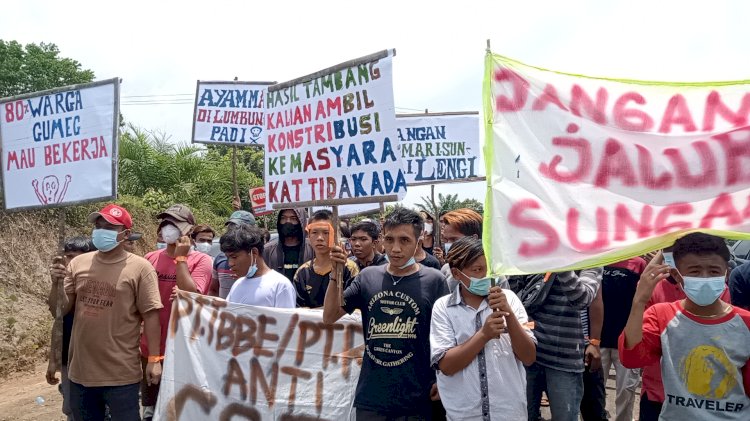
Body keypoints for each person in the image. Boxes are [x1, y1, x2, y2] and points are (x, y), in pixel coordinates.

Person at [323, 207, 449, 420]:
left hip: (419, 395)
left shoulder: (434, 280)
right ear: (381, 239)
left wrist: (441, 378)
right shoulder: (367, 277)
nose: (396, 248)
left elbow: (445, 336)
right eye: (390, 240)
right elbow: (330, 316)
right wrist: (335, 273)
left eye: (404, 240)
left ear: (418, 240)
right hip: (374, 396)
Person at [48, 204, 163, 421]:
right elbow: (60, 310)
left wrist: (154, 359)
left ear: (125, 234)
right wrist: (56, 284)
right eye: (98, 225)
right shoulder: (78, 264)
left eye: (109, 227)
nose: (101, 231)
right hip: (80, 374)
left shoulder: (140, 268)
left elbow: (151, 315)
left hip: (121, 375)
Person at [620, 233, 750, 420]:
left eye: (714, 271)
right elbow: (632, 358)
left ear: (726, 273)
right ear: (676, 274)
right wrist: (639, 300)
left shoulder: (745, 323)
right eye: (695, 271)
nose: (704, 278)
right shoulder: (661, 315)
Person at [430, 236, 536, 420]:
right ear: (456, 274)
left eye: (490, 269)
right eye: (477, 270)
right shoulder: (443, 308)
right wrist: (484, 335)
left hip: (509, 413)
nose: (486, 276)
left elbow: (529, 357)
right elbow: (446, 365)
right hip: (464, 414)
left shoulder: (509, 299)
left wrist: (509, 316)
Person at [637, 247, 732, 420]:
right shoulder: (655, 287)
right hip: (657, 391)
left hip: (700, 394)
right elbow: (639, 340)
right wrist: (662, 250)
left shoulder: (714, 290)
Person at [140, 204, 212, 420]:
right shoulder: (150, 258)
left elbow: (191, 295)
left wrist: (181, 259)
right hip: (151, 346)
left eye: (175, 224)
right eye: (166, 223)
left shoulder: (201, 260)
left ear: (189, 230)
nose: (168, 228)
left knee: (179, 408)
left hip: (184, 347)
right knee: (151, 409)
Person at [525, 267, 602, 421]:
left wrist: (560, 264)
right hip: (527, 354)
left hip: (564, 361)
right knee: (522, 415)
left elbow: (583, 299)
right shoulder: (537, 253)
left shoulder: (590, 258)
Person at [46, 237, 96, 421]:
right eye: (66, 257)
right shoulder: (63, 283)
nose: (68, 262)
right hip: (70, 358)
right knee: (71, 408)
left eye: (74, 257)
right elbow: (58, 320)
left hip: (95, 358)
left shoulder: (96, 285)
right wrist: (54, 361)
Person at [599, 257, 647, 421]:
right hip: (598, 340)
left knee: (626, 392)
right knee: (593, 392)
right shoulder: (598, 260)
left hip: (627, 341)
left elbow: (645, 299)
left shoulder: (639, 263)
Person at [293, 210, 359, 308]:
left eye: (326, 232)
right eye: (314, 232)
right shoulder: (302, 272)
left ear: (336, 235)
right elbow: (298, 310)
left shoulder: (349, 268)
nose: (320, 238)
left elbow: (354, 308)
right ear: (309, 236)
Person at [222, 224, 296, 307]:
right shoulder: (237, 285)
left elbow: (286, 319)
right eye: (228, 258)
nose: (230, 263)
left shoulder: (280, 285)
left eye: (234, 257)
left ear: (254, 252)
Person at [434, 208, 508, 291]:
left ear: (473, 238)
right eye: (446, 240)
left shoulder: (495, 276)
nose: (449, 245)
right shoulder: (446, 270)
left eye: (454, 239)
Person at [209, 210, 256, 298]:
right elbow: (213, 290)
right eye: (230, 227)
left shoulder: (258, 258)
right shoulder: (219, 258)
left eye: (237, 227)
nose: (232, 231)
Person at [580, 288, 608, 421]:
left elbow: (596, 298)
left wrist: (594, 342)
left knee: (593, 408)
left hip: (584, 345)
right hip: (545, 344)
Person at [264, 208, 314, 282]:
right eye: (283, 218)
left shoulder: (313, 249)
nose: (288, 222)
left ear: (301, 221)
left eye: (293, 218)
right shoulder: (267, 250)